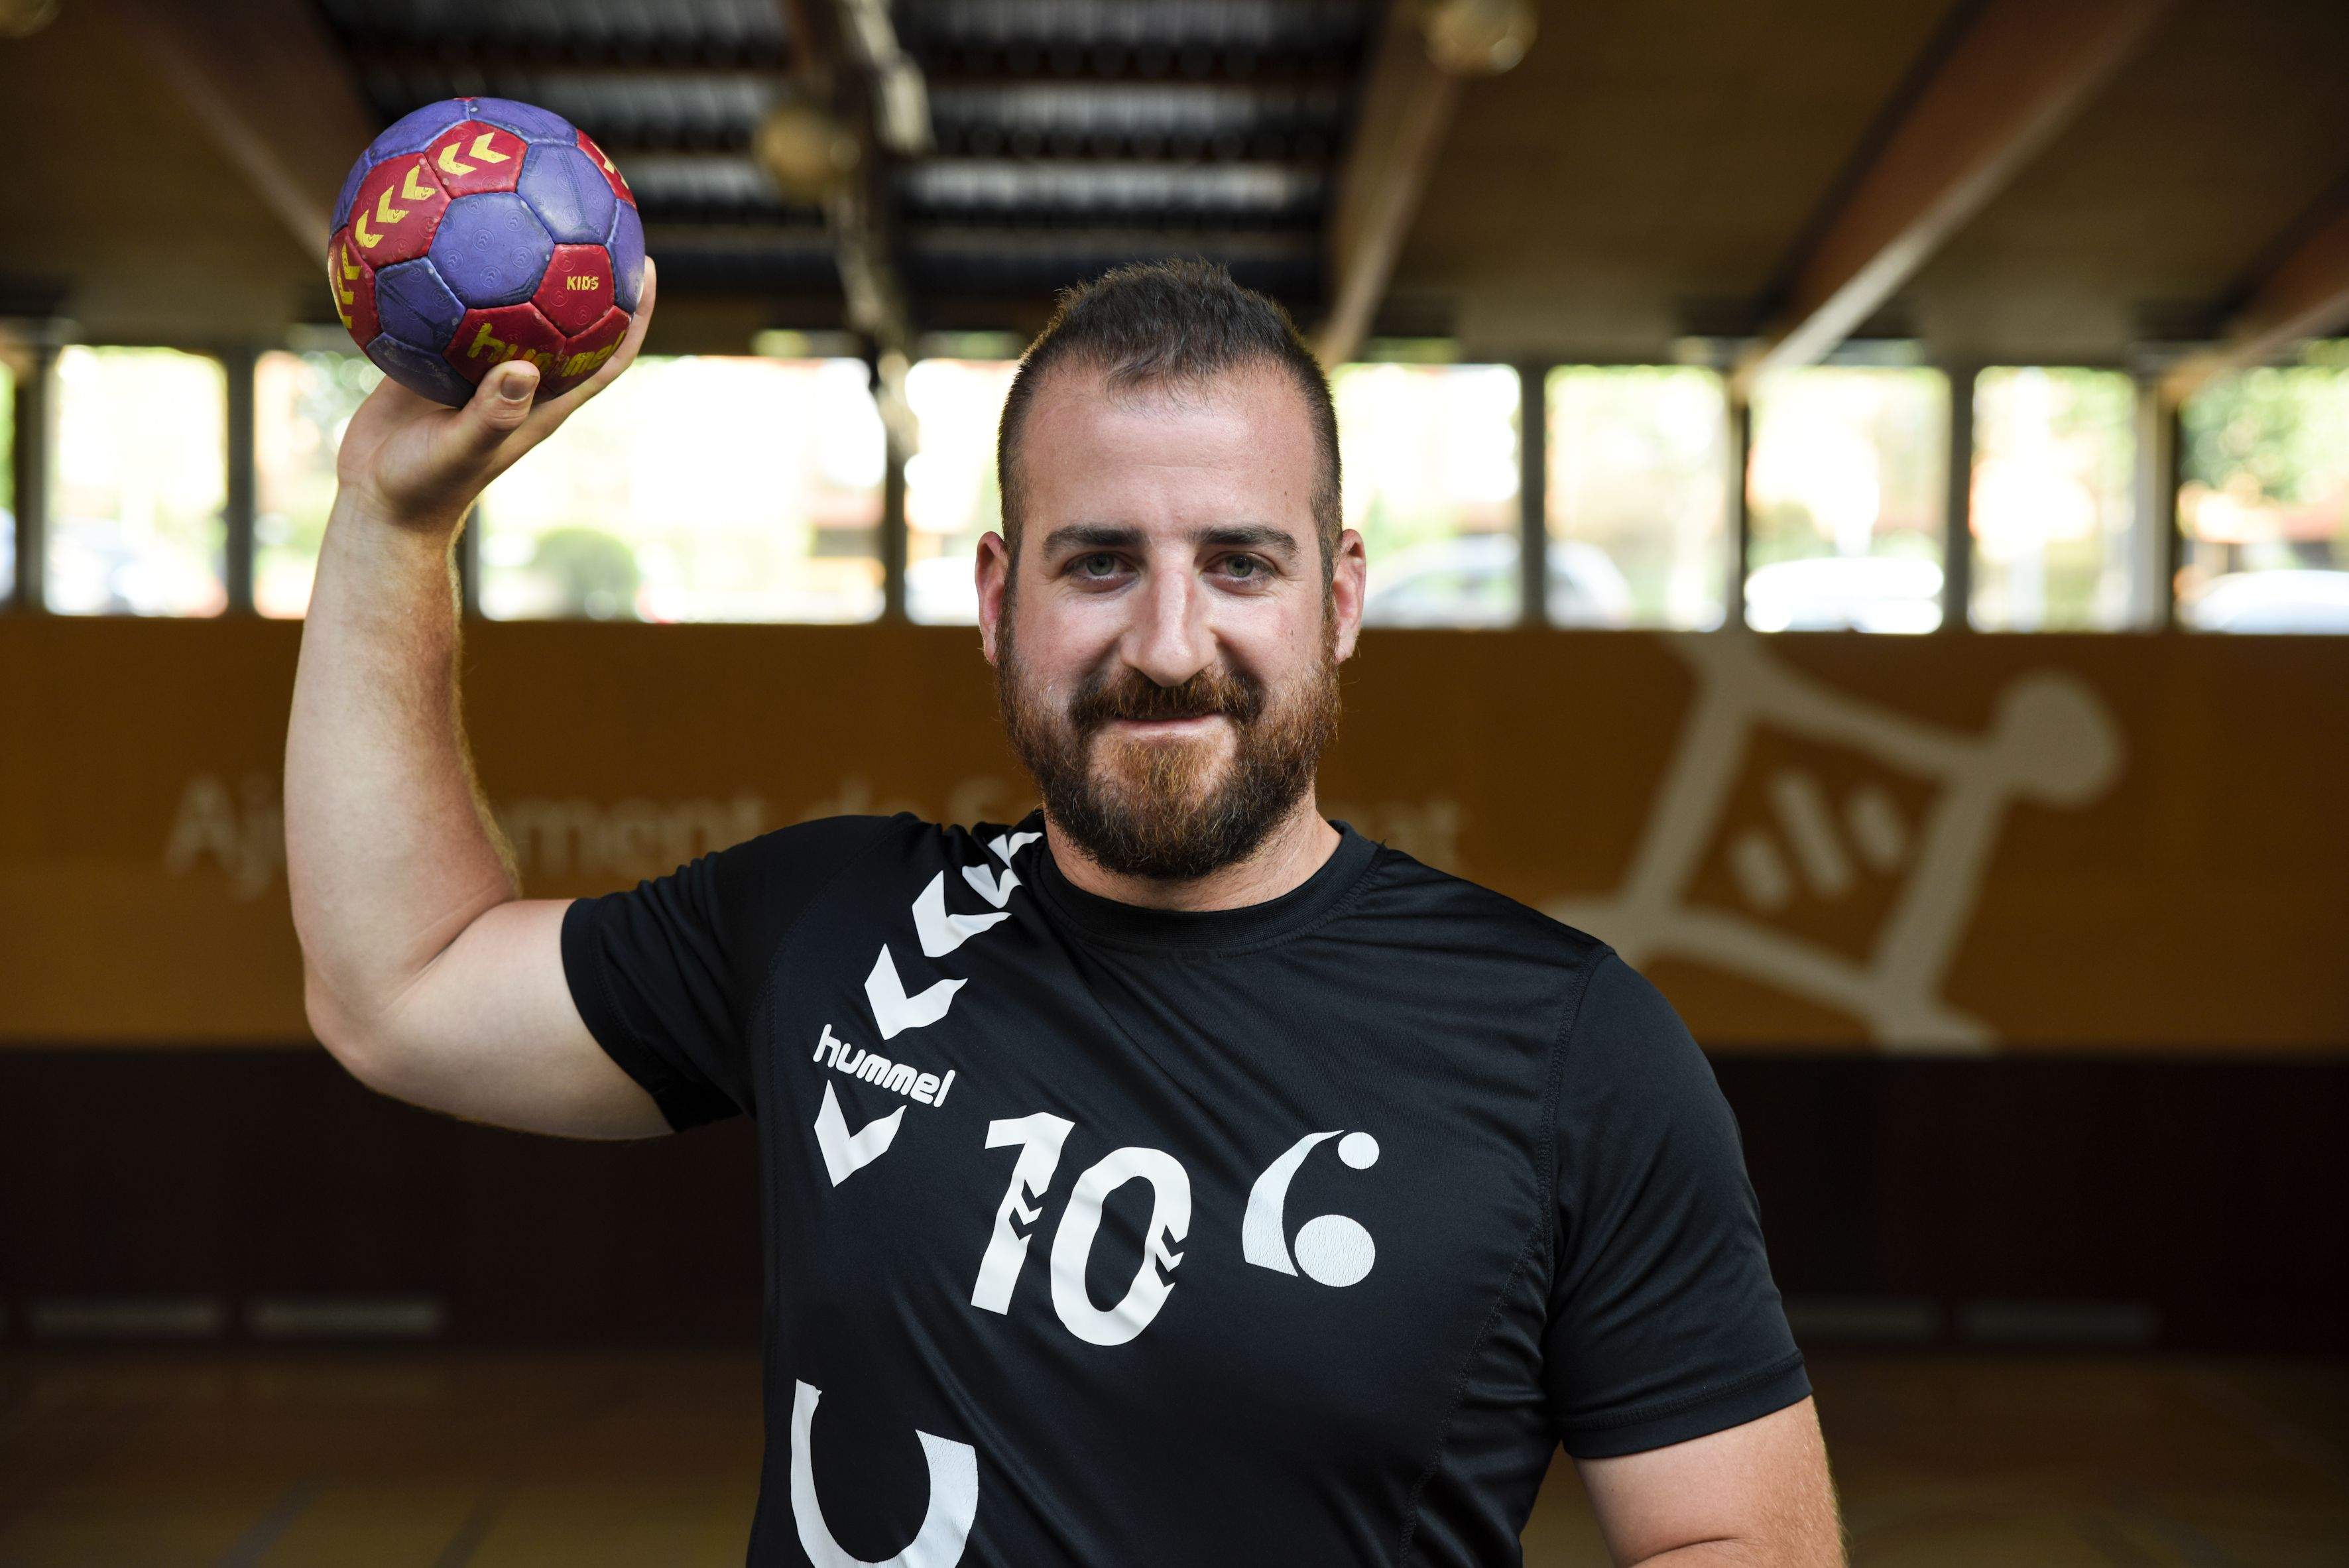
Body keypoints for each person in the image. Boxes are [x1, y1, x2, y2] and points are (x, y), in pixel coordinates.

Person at [286, 255, 1844, 1567]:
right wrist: (389, 526)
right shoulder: (832, 927)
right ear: (996, 595)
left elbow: (1738, 1541)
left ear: (1340, 598)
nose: (1169, 643)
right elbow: (399, 989)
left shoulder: (1569, 1045)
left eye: (1239, 562)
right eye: (1097, 563)